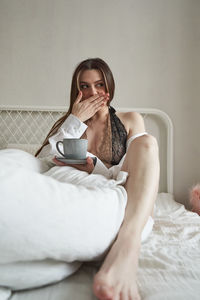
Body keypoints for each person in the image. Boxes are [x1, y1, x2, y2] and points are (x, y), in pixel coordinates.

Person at [36, 58, 160, 300]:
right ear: (76, 91)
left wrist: (96, 167)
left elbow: (138, 165)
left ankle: (128, 246)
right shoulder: (70, 125)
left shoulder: (129, 119)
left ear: (109, 87)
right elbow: (47, 157)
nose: (93, 92)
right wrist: (74, 119)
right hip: (87, 194)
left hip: (127, 193)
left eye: (99, 84)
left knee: (147, 142)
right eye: (84, 86)